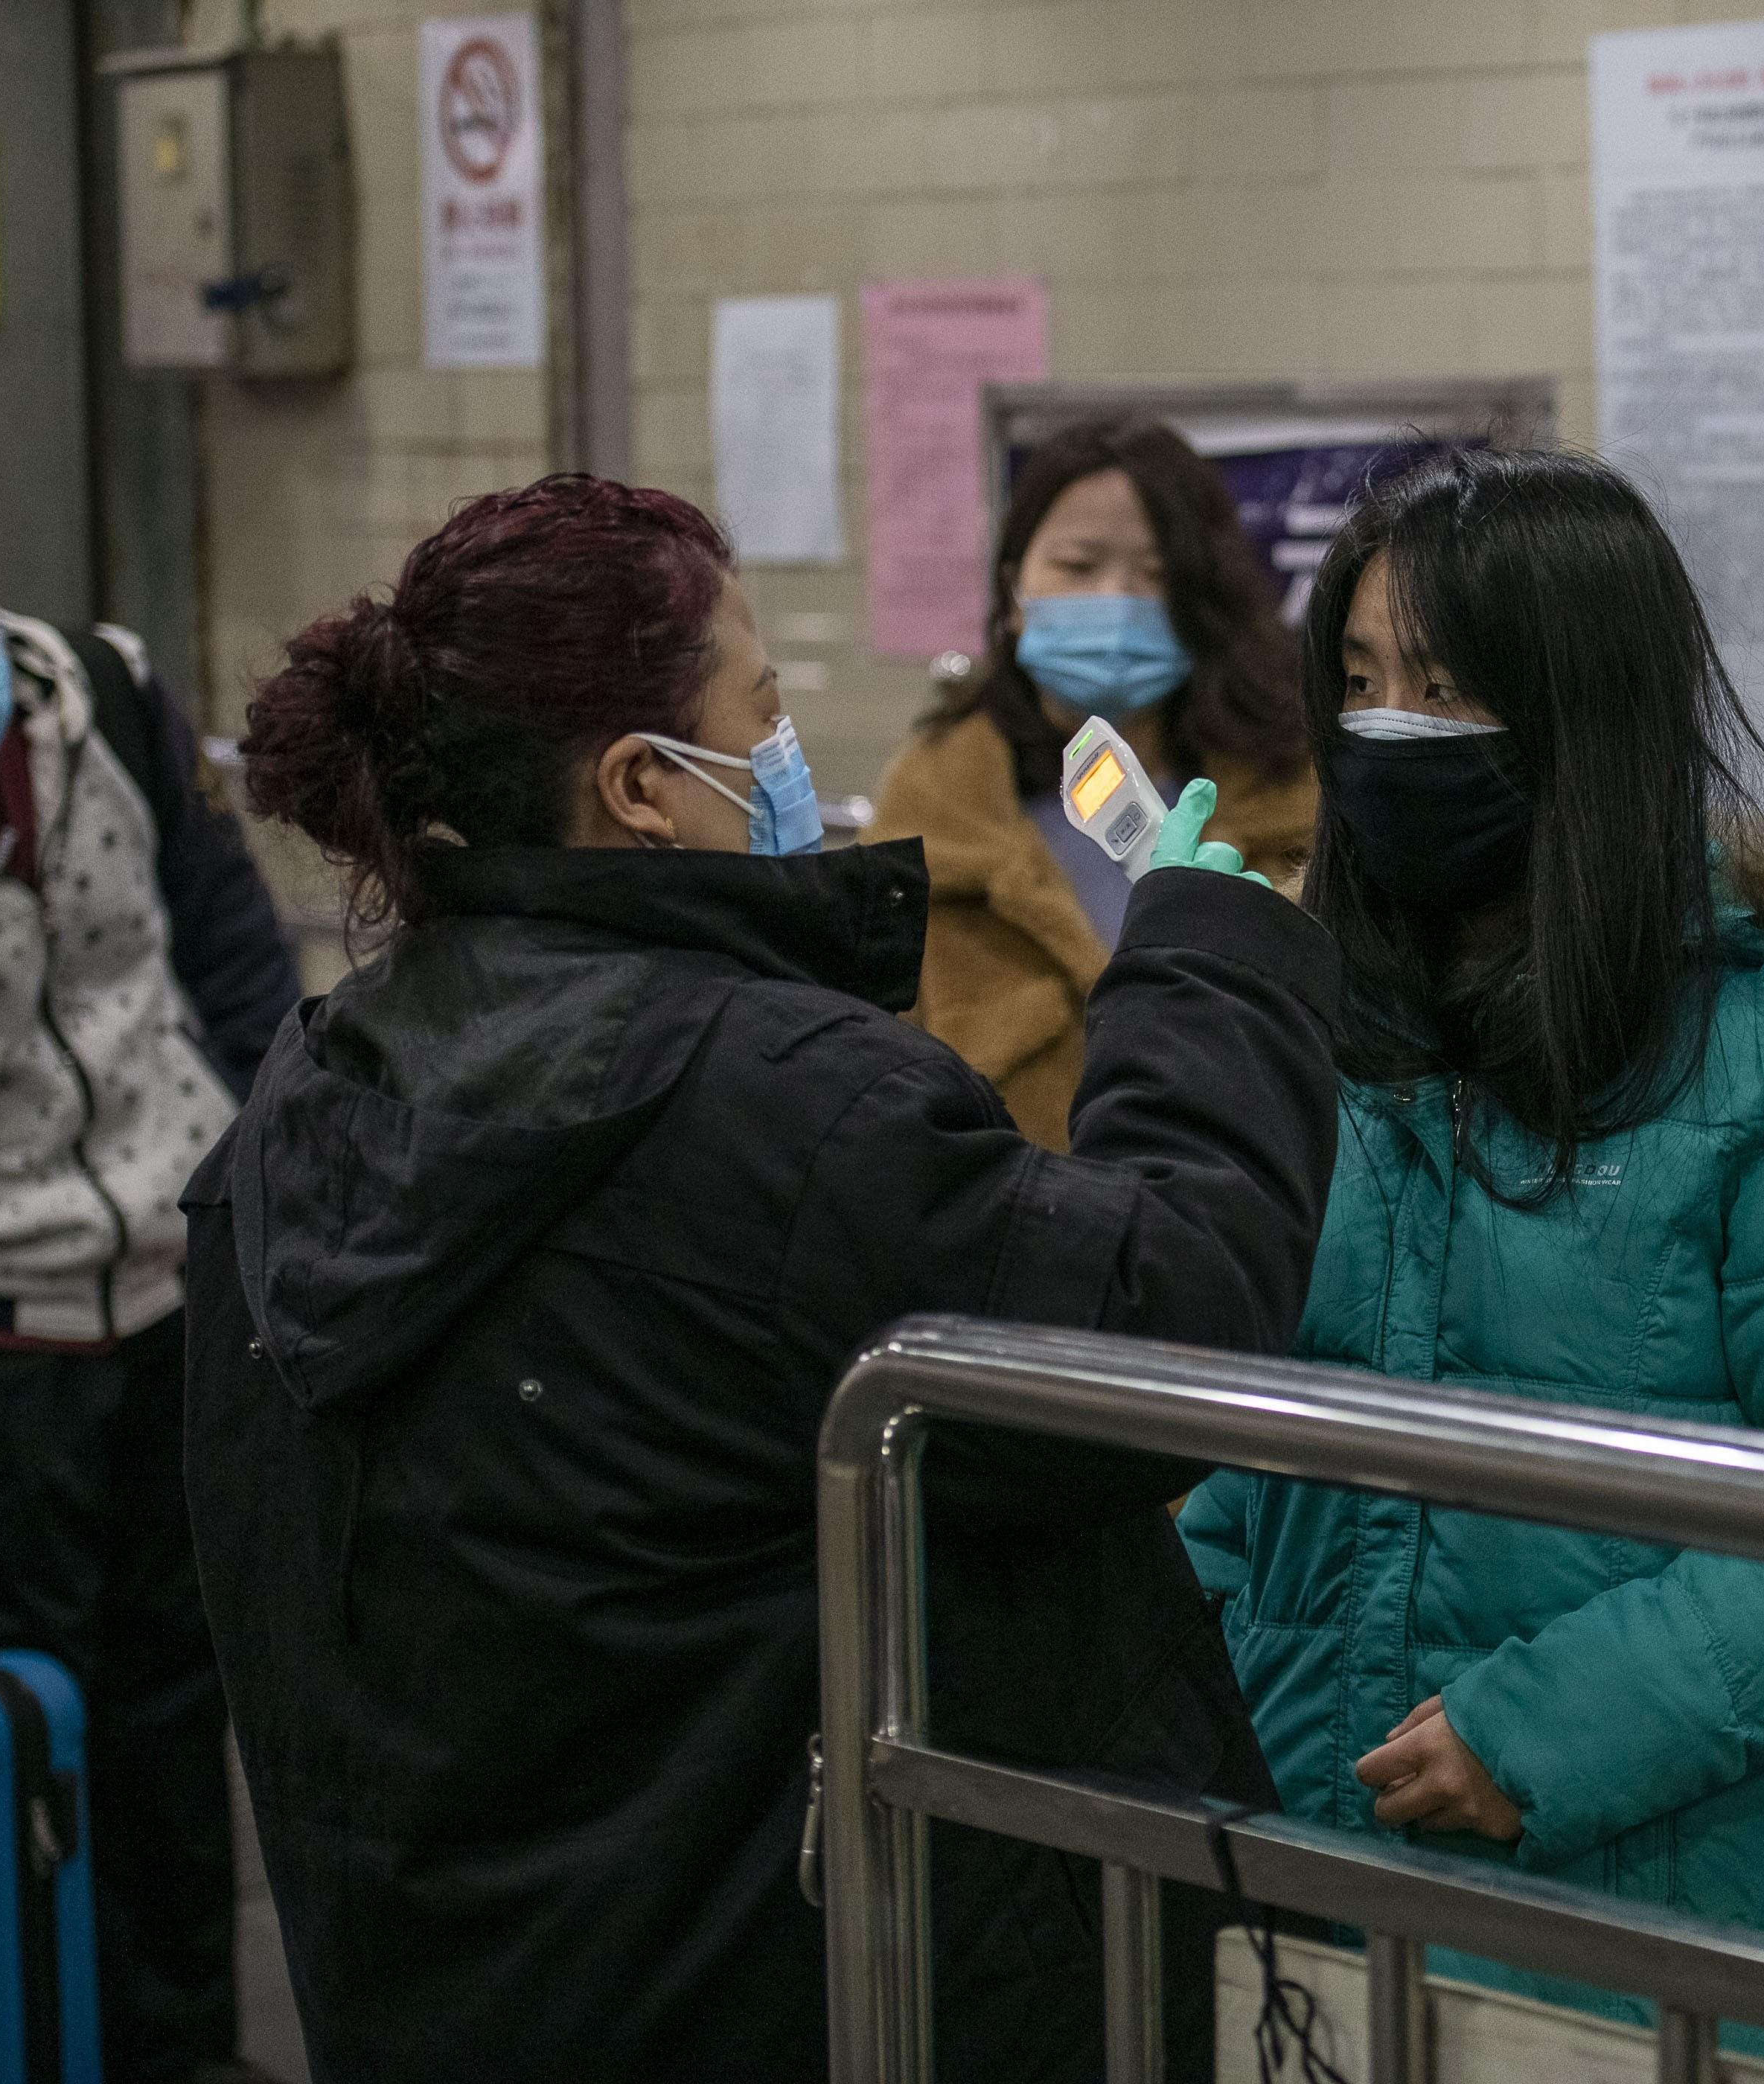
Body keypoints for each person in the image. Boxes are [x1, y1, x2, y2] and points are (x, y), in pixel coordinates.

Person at [179, 475, 1343, 2082]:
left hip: (471, 1984)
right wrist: (1206, 963)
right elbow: (1157, 1330)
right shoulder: (781, 1104)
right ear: (646, 785)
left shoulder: (305, 1102)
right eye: (767, 708)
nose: (798, 759)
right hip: (808, 1985)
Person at [1178, 449, 1764, 2080]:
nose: (1388, 728)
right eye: (1358, 683)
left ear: (1583, 710)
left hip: (1633, 1951)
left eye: (1446, 686)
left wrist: (1534, 1733)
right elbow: (1231, 1447)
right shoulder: (1336, 1038)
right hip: (1297, 1910)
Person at [0, 470, 297, 2083]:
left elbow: (226, 941)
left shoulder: (100, 692)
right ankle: (49, 2041)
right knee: (49, 1720)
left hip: (181, 1289)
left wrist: (266, 1157)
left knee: (186, 1718)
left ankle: (190, 2048)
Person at [873, 415, 1314, 1146]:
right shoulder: (929, 827)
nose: (1117, 599)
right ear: (1015, 591)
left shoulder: (1294, 812)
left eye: (1158, 574)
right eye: (1079, 566)